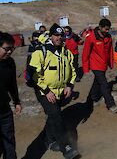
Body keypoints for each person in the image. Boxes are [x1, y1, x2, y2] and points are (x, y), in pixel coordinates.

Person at [28, 23, 79, 159]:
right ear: (51, 36)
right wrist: (46, 91)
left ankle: (50, 141)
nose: (59, 37)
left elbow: (73, 70)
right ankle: (66, 147)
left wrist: (69, 85)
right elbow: (34, 75)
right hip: (44, 91)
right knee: (57, 116)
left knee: (53, 115)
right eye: (56, 35)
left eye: (61, 35)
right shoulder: (41, 51)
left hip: (60, 91)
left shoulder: (66, 52)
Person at [82, 19, 117, 113]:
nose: (107, 31)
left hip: (104, 64)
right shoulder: (91, 37)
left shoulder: (108, 37)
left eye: (108, 29)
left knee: (97, 82)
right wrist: (86, 68)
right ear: (100, 27)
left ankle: (92, 98)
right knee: (104, 84)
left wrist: (111, 63)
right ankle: (111, 104)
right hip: (95, 64)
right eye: (106, 29)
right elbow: (85, 53)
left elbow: (110, 50)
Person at [0, 32, 22, 159]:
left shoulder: (10, 63)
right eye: (6, 49)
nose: (9, 52)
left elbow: (12, 84)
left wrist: (17, 102)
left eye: (11, 49)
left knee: (9, 144)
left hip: (4, 111)